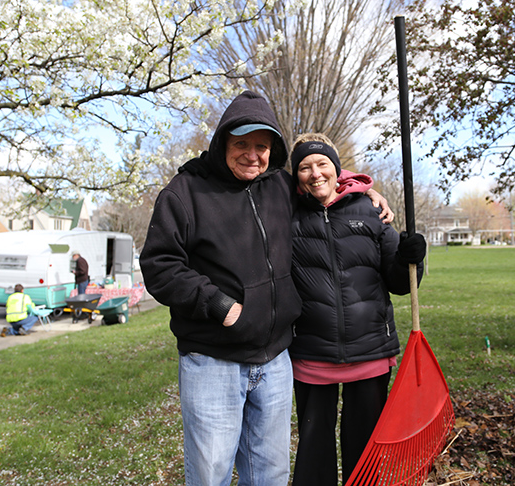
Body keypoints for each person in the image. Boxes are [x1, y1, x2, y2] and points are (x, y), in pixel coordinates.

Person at [140, 91, 391, 486]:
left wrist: (365, 194)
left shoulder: (278, 186)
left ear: (272, 150)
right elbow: (160, 266)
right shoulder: (185, 192)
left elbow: (324, 185)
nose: (252, 155)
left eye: (262, 146)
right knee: (211, 474)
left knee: (270, 474)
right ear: (223, 141)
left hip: (275, 361)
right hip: (213, 360)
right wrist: (220, 305)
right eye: (241, 144)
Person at [288, 133, 427, 486]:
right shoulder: (286, 214)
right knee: (313, 449)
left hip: (369, 351)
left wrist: (412, 258)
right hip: (311, 353)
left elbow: (398, 282)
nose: (315, 173)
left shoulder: (369, 209)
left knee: (364, 450)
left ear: (337, 169)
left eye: (322, 164)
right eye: (304, 167)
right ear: (296, 176)